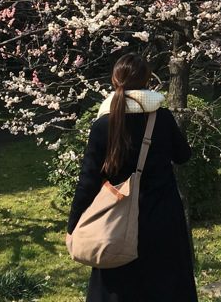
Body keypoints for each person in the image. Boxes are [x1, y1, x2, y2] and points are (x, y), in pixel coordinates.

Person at [67, 53, 197, 302]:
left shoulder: (104, 123)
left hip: (117, 220)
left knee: (118, 287)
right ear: (147, 80)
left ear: (115, 79)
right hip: (163, 216)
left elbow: (88, 181)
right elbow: (183, 156)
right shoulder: (162, 118)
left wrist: (73, 226)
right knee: (166, 285)